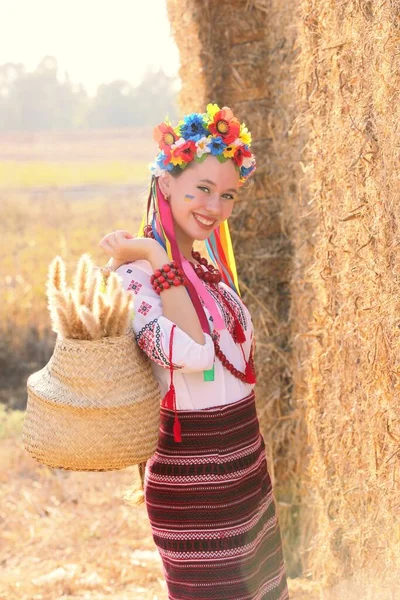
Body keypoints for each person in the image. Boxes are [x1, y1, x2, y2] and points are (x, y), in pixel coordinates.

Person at [99, 104, 289, 600]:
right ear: (165, 184)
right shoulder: (135, 278)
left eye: (226, 195)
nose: (214, 207)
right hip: (193, 478)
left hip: (245, 465)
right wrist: (155, 255)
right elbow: (194, 353)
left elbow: (239, 363)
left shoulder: (210, 271)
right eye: (202, 189)